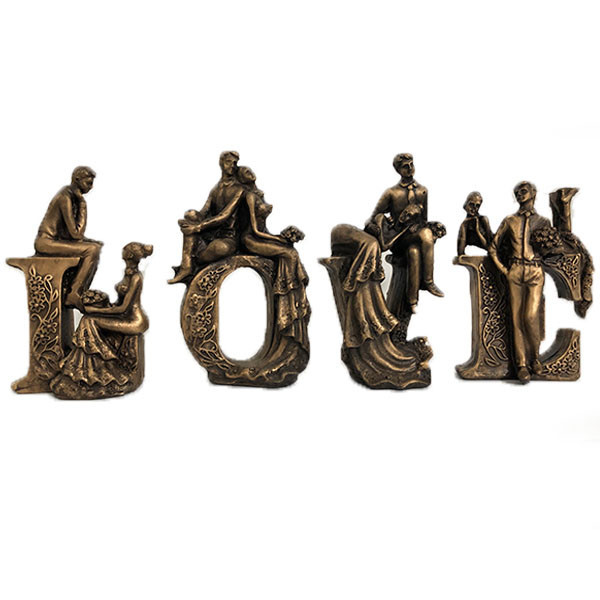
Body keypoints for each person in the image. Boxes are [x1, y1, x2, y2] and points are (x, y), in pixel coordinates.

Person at [50, 242, 153, 398]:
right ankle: (86, 368)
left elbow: (123, 309)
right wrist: (101, 305)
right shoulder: (128, 274)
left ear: (130, 255)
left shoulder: (136, 277)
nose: (123, 253)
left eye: (125, 251)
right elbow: (118, 304)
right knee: (88, 319)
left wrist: (94, 310)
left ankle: (101, 366)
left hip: (134, 320)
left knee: (89, 321)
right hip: (123, 315)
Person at [237, 166, 310, 349]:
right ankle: (287, 294)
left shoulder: (258, 194)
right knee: (288, 253)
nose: (250, 173)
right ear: (242, 179)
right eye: (245, 173)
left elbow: (264, 229)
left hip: (262, 236)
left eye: (249, 171)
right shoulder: (249, 196)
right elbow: (255, 230)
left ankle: (291, 301)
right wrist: (278, 239)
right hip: (250, 239)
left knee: (290, 252)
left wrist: (282, 237)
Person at [488, 181, 551, 383]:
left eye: (523, 191)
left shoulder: (543, 221)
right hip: (515, 271)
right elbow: (493, 248)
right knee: (516, 318)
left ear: (533, 193)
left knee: (530, 316)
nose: (520, 194)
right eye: (517, 192)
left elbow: (550, 248)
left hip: (535, 271)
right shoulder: (510, 221)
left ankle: (535, 357)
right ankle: (521, 364)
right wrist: (504, 270)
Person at [365, 153, 444, 312]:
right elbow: (372, 219)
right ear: (398, 170)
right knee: (426, 234)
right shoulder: (391, 193)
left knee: (414, 252)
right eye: (405, 166)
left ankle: (412, 301)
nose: (409, 169)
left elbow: (424, 219)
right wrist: (382, 226)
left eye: (411, 164)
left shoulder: (422, 191)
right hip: (398, 239)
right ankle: (428, 281)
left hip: (416, 237)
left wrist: (419, 226)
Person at [168, 151, 244, 283]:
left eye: (235, 163)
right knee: (191, 215)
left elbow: (224, 215)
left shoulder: (239, 189)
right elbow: (204, 211)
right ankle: (187, 267)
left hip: (229, 238)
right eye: (229, 162)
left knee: (219, 248)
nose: (232, 166)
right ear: (221, 163)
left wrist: (198, 227)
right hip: (212, 234)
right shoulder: (216, 189)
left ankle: (192, 262)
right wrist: (190, 220)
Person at [34, 166, 102, 308]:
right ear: (77, 180)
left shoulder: (71, 196)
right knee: (92, 250)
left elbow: (71, 234)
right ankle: (74, 293)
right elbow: (76, 234)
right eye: (88, 183)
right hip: (46, 242)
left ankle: (76, 291)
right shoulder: (65, 197)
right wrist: (83, 205)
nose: (91, 187)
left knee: (95, 246)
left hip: (56, 241)